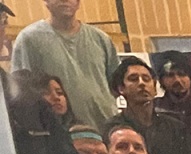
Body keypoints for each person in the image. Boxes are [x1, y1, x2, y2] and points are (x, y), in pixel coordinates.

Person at [11, 0, 117, 128]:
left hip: (104, 128)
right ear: (46, 1)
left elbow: (116, 86)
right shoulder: (29, 40)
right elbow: (22, 93)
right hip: (58, 131)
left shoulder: (101, 38)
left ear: (78, 2)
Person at [108, 57, 191, 154]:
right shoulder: (113, 130)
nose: (141, 83)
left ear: (154, 88)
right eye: (133, 79)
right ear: (121, 88)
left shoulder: (176, 127)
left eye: (146, 79)